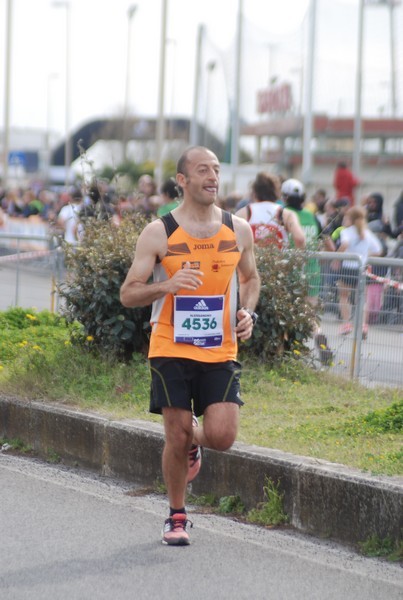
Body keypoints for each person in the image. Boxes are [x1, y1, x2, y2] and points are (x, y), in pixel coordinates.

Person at [120, 146, 261, 546]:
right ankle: (176, 515)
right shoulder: (159, 232)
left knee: (222, 436)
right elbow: (128, 294)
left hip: (220, 348)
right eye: (202, 170)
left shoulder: (238, 229)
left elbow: (251, 280)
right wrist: (167, 284)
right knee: (176, 435)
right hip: (170, 346)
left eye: (216, 169)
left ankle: (196, 445)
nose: (212, 176)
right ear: (182, 180)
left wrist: (248, 313)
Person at [281, 178, 333, 365]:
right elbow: (329, 244)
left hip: (291, 271)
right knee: (309, 314)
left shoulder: (285, 215)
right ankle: (318, 334)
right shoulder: (313, 218)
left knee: (286, 313)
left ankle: (287, 352)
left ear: (285, 197)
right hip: (313, 271)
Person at [335, 206, 382, 338]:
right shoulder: (367, 233)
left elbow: (344, 244)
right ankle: (363, 325)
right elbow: (378, 250)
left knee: (344, 296)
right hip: (361, 268)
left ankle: (346, 323)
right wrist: (365, 255)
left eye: (346, 217)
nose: (344, 219)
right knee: (361, 298)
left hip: (348, 268)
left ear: (351, 219)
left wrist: (336, 258)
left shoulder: (347, 231)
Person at [235, 173, 305, 249]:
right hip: (279, 259)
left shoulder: (243, 213)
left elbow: (231, 239)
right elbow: (300, 239)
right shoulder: (286, 214)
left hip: (251, 259)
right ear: (277, 192)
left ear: (254, 192)